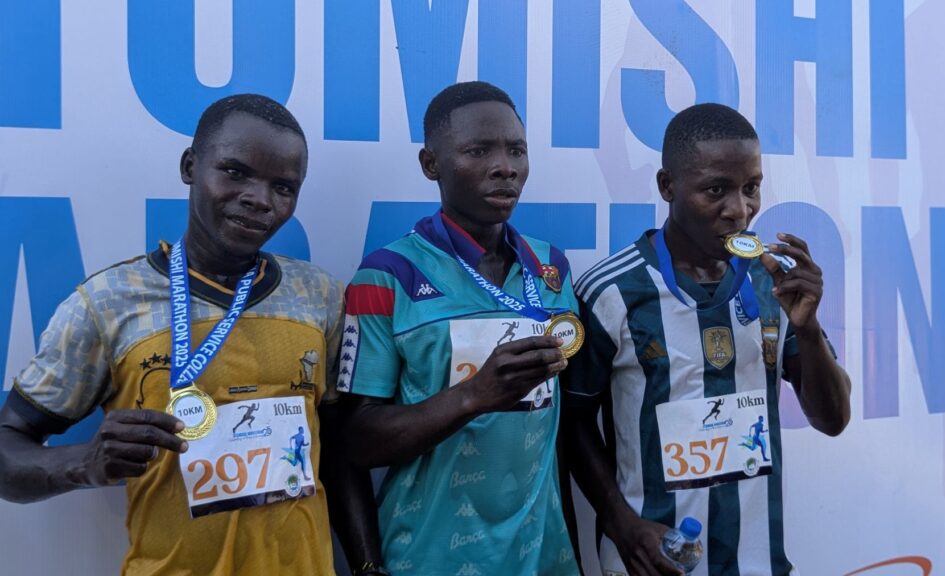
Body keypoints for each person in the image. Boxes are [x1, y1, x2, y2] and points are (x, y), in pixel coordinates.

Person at [0, 94, 380, 575]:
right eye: (236, 172)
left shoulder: (320, 296)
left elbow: (338, 450)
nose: (259, 199)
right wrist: (84, 462)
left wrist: (367, 564)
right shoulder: (109, 301)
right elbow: (7, 447)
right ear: (189, 166)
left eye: (283, 186)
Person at [564, 103, 851, 576]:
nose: (739, 210)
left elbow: (833, 419)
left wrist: (808, 329)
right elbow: (571, 424)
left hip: (758, 564)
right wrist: (621, 524)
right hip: (650, 561)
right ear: (667, 186)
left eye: (751, 188)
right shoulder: (611, 290)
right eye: (716, 190)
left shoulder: (773, 283)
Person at [333, 81, 580, 575]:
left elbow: (559, 427)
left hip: (541, 555)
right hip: (431, 556)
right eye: (478, 150)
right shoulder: (387, 276)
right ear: (431, 165)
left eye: (516, 150)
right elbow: (354, 440)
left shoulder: (550, 266)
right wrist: (474, 395)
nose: (505, 167)